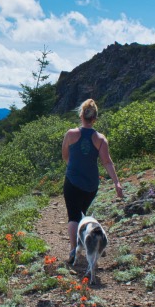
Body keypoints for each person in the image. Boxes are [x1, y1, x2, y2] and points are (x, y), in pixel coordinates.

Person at [61, 98, 123, 264]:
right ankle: (86, 244)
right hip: (91, 184)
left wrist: (73, 166)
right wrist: (116, 183)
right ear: (95, 118)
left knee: (73, 215)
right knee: (81, 212)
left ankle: (74, 250)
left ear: (81, 115)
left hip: (72, 181)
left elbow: (65, 155)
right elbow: (107, 162)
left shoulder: (70, 134)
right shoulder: (100, 139)